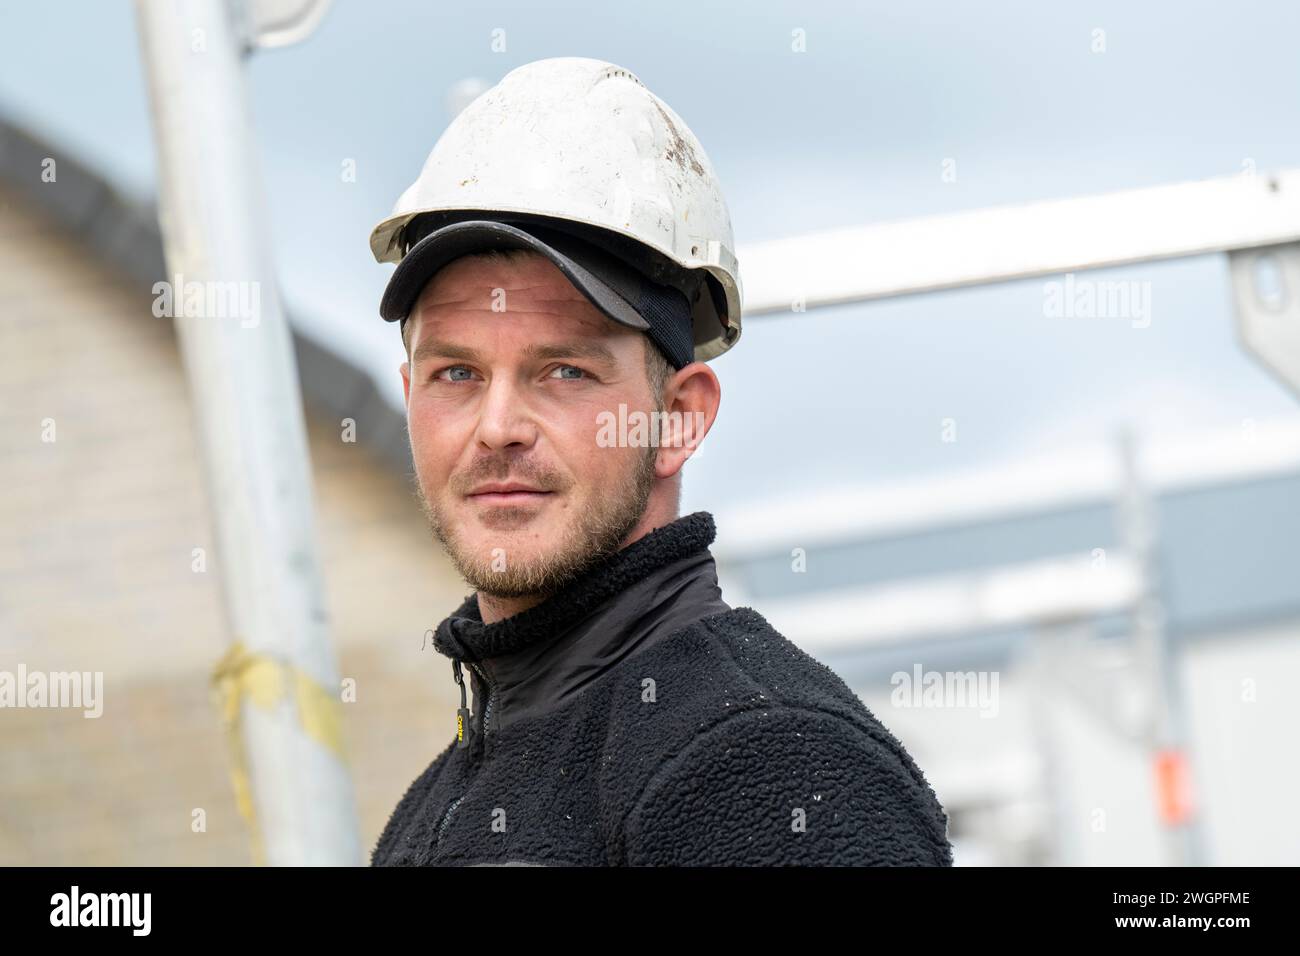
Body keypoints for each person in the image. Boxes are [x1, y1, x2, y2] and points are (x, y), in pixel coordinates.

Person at [367, 57, 952, 866]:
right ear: (409, 396)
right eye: (456, 374)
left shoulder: (765, 764)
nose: (496, 426)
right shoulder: (436, 806)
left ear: (679, 418)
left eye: (563, 371)